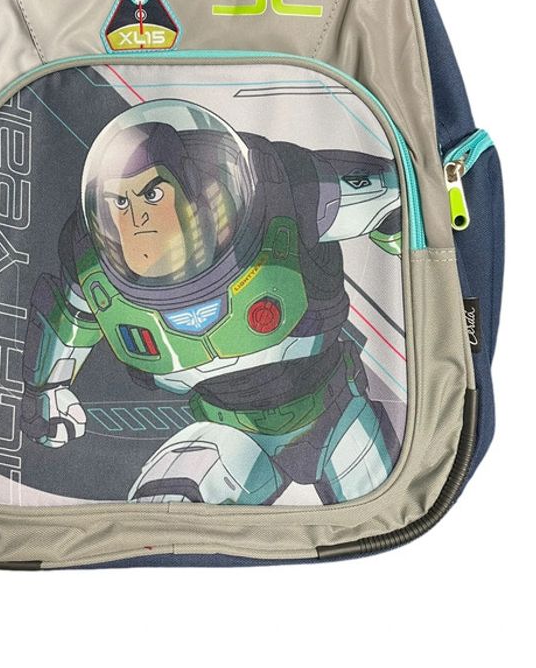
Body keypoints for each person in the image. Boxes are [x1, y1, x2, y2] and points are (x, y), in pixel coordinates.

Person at [21, 99, 402, 504]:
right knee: (165, 511)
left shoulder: (285, 194)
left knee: (387, 507)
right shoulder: (91, 262)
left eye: (152, 193)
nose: (137, 219)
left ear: (191, 191)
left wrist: (400, 238)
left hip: (336, 408)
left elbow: (395, 195)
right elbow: (68, 319)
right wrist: (47, 389)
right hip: (229, 430)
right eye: (120, 202)